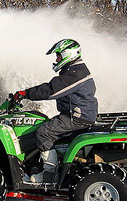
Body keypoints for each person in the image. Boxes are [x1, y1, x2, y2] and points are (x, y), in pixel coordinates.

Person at [14, 39, 98, 184]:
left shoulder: (75, 73)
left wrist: (25, 94)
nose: (57, 59)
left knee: (44, 132)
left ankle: (49, 174)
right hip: (78, 114)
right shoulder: (75, 70)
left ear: (68, 54)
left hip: (77, 117)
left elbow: (51, 90)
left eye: (58, 55)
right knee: (45, 125)